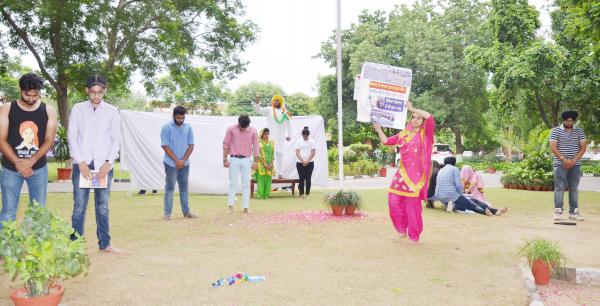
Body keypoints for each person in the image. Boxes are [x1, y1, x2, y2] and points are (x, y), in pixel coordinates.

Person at [68, 75, 122, 253]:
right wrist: (80, 162)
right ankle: (75, 245)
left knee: (102, 206)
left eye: (100, 92)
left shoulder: (112, 111)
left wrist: (108, 163)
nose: (96, 96)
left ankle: (105, 243)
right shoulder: (78, 109)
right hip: (82, 165)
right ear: (87, 90)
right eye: (92, 92)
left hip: (103, 166)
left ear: (105, 91)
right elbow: (72, 136)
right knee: (79, 206)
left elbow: (116, 139)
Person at [0, 73, 57, 229]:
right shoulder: (6, 108)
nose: (31, 98)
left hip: (38, 168)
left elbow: (49, 140)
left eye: (35, 95)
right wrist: (19, 163)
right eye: (27, 94)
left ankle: (37, 248)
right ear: (20, 89)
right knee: (8, 211)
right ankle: (5, 249)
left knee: (38, 211)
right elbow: (1, 140)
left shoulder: (49, 110)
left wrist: (31, 161)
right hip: (11, 168)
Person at [372, 101, 434, 242]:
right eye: (413, 116)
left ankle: (414, 235)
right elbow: (386, 141)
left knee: (412, 207)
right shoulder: (404, 134)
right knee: (393, 201)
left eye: (419, 118)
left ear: (423, 121)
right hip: (401, 174)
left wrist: (412, 108)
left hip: (415, 177)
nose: (415, 119)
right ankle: (401, 230)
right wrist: (379, 129)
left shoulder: (426, 134)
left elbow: (430, 117)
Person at [433, 157, 507, 216]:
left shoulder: (441, 170)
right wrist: (461, 194)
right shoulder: (455, 169)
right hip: (452, 196)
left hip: (440, 197)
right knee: (471, 202)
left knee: (463, 205)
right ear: (454, 163)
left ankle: (495, 211)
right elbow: (458, 185)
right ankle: (486, 212)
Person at [160, 105, 197, 220]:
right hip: (171, 164)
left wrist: (183, 160)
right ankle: (167, 214)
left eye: (182, 118)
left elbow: (191, 145)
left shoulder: (188, 128)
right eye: (178, 118)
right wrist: (177, 161)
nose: (180, 120)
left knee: (184, 188)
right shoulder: (166, 127)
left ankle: (187, 213)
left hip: (185, 164)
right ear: (173, 116)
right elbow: (165, 146)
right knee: (170, 188)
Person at [550, 110, 586, 221]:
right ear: (564, 120)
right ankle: (558, 211)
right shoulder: (556, 131)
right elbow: (553, 147)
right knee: (559, 187)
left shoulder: (579, 131)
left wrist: (573, 160)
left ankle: (573, 212)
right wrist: (564, 160)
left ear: (574, 121)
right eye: (567, 120)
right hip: (560, 164)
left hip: (575, 165)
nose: (569, 123)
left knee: (574, 188)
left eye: (571, 121)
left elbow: (583, 147)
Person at [223, 115, 259, 213]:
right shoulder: (231, 129)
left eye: (245, 127)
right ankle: (230, 207)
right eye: (241, 127)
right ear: (238, 123)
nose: (243, 129)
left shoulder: (253, 131)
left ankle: (246, 208)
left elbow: (256, 146)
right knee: (232, 183)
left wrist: (256, 162)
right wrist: (225, 159)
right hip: (234, 158)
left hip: (246, 159)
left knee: (246, 183)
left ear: (248, 124)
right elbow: (226, 144)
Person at [255, 94, 291, 178]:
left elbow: (289, 122)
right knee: (269, 155)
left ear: (281, 101)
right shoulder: (269, 109)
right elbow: (258, 110)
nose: (276, 101)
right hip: (271, 138)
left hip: (281, 138)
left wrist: (289, 135)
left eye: (278, 100)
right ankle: (269, 173)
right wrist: (257, 99)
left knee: (280, 155)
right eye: (275, 100)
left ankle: (280, 174)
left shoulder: (285, 111)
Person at [295, 126, 316, 199]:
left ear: (308, 135)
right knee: (301, 178)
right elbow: (297, 152)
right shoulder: (299, 141)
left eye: (306, 135)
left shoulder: (312, 141)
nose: (305, 137)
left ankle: (307, 194)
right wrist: (303, 161)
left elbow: (313, 152)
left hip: (310, 163)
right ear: (302, 134)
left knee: (308, 178)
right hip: (300, 163)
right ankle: (301, 194)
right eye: (304, 135)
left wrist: (307, 160)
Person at [255, 128, 275, 199]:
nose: (266, 136)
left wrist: (271, 163)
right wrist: (264, 164)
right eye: (265, 134)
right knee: (261, 180)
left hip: (270, 164)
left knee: (268, 179)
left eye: (267, 134)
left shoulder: (271, 142)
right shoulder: (259, 142)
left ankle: (266, 195)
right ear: (262, 134)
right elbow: (258, 154)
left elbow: (273, 153)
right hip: (261, 164)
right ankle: (260, 195)